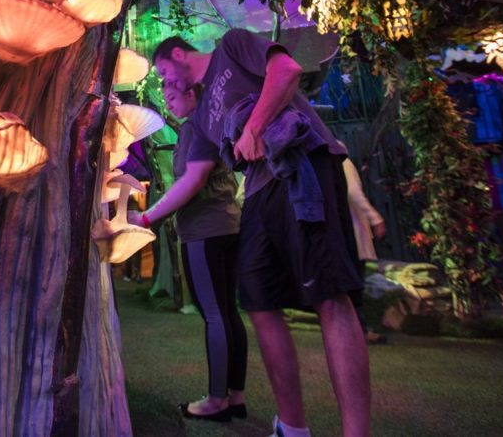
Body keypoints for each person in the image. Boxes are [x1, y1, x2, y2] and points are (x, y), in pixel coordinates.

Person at [145, 31, 369, 437]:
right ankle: (293, 429)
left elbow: (286, 70)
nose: (166, 83)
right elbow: (194, 176)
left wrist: (254, 127)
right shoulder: (203, 116)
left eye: (163, 72)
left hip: (304, 165)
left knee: (330, 296)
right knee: (259, 302)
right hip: (260, 192)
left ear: (178, 55)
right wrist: (148, 217)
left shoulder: (231, 46)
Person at [129, 83, 247, 422]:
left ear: (191, 93)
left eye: (171, 94)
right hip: (228, 225)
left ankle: (216, 400)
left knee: (215, 315)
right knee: (228, 312)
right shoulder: (213, 124)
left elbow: (190, 183)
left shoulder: (196, 128)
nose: (167, 102)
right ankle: (235, 397)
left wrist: (147, 217)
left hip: (205, 230)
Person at [341, 155, 387, 344]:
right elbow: (353, 192)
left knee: (351, 284)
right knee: (355, 284)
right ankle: (359, 329)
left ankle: (354, 328)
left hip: (343, 232)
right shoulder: (343, 161)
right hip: (353, 231)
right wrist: (375, 218)